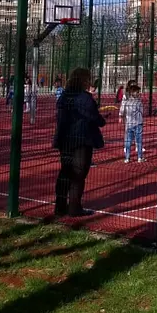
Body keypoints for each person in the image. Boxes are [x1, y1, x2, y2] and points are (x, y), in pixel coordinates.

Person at [52, 68, 106, 217]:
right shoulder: (84, 98)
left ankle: (60, 206)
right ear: (83, 80)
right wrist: (102, 120)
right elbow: (95, 117)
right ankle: (74, 208)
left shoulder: (64, 95)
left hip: (65, 139)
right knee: (78, 174)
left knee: (65, 172)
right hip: (81, 140)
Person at [119, 84, 144, 163]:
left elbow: (123, 110)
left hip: (129, 124)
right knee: (139, 141)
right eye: (137, 92)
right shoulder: (138, 102)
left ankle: (127, 158)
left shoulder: (127, 101)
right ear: (133, 92)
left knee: (128, 141)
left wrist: (121, 116)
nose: (138, 93)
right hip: (138, 123)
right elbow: (142, 111)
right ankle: (139, 157)